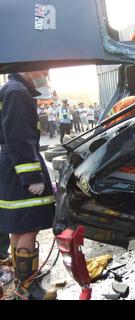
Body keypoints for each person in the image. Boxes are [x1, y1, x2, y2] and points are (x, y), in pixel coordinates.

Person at [0, 73, 56, 299]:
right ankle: (28, 287)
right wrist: (32, 176)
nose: (44, 76)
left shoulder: (11, 89)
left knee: (18, 227)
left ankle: (21, 281)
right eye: (41, 72)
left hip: (10, 166)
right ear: (27, 71)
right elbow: (20, 137)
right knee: (28, 227)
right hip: (19, 168)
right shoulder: (17, 92)